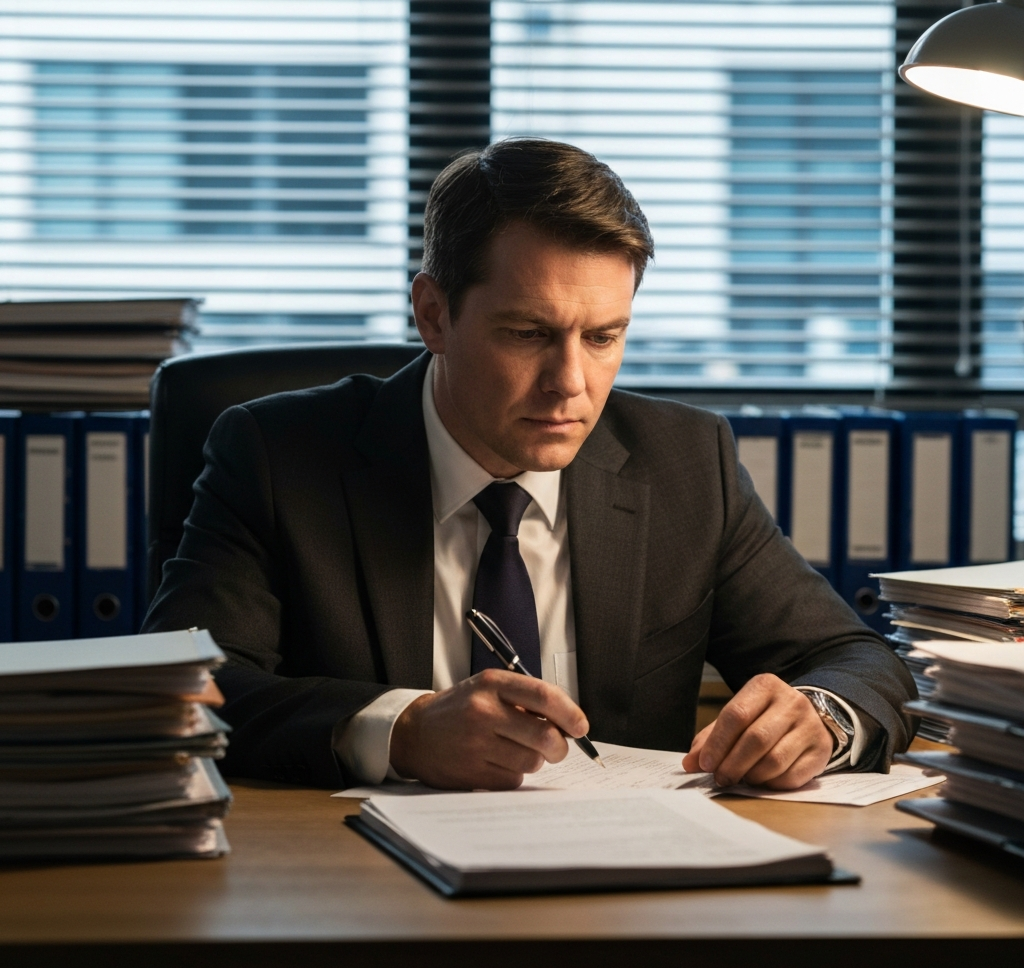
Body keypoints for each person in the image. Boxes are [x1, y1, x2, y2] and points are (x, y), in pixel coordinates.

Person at [143, 138, 915, 792]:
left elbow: (852, 657)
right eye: (528, 335)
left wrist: (820, 718)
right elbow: (189, 688)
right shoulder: (276, 456)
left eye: (604, 337)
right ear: (435, 314)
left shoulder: (684, 462)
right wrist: (398, 730)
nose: (571, 384)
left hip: (625, 888)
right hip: (358, 888)